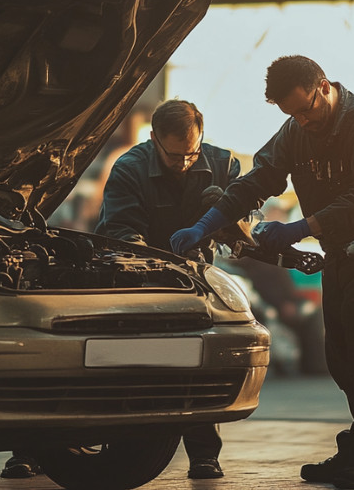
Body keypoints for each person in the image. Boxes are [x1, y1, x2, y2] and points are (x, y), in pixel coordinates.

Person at [171, 55, 354, 489]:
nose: (303, 121)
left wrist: (301, 228)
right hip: (340, 256)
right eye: (292, 114)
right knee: (343, 359)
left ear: (323, 86)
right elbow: (257, 179)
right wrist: (206, 224)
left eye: (307, 109)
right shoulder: (296, 130)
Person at [93, 98, 242, 479]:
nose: (186, 163)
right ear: (154, 139)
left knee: (199, 362)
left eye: (192, 153)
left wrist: (237, 231)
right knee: (117, 364)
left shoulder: (224, 164)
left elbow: (244, 214)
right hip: (135, 279)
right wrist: (154, 267)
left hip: (196, 280)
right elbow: (122, 231)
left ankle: (204, 455)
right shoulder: (129, 168)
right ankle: (34, 449)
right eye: (175, 156)